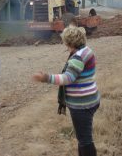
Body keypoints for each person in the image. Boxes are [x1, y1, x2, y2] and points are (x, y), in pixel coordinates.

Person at [32, 26, 100, 156]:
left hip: (82, 105)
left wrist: (46, 77)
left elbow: (67, 78)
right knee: (83, 138)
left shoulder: (77, 58)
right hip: (91, 98)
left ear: (69, 42)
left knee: (85, 140)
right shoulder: (86, 51)